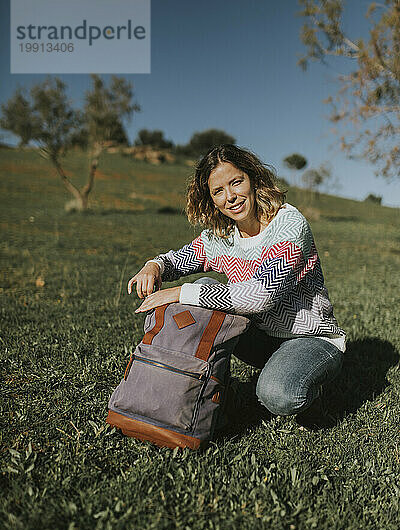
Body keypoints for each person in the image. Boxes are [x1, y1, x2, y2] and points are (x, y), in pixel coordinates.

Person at [127, 144, 345, 419]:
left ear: (252, 179)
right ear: (211, 199)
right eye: (218, 191)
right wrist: (154, 265)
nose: (230, 197)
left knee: (277, 395)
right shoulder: (222, 236)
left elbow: (260, 295)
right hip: (260, 339)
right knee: (205, 284)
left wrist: (181, 292)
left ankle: (310, 383)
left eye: (236, 182)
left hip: (310, 339)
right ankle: (209, 384)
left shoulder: (289, 224)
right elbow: (178, 259)